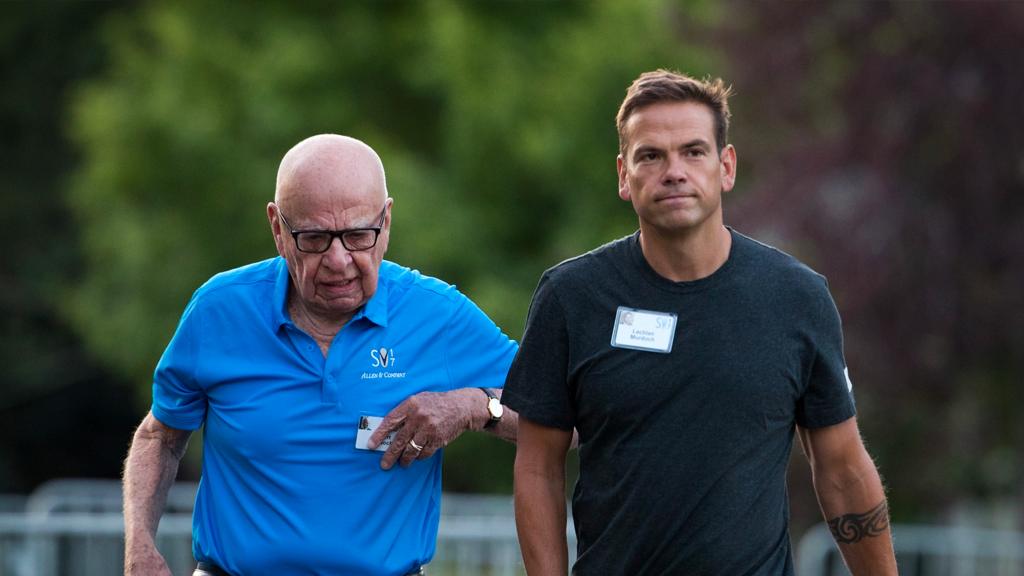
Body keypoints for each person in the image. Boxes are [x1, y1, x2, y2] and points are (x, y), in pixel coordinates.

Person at [502, 70, 897, 575]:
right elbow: (537, 468)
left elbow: (842, 468)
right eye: (651, 155)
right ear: (623, 175)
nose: (674, 171)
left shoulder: (797, 298)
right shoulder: (571, 297)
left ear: (725, 167)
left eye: (693, 151)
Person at [122, 134, 519, 576]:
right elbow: (160, 436)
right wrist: (140, 546)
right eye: (314, 238)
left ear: (387, 221)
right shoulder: (219, 310)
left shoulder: (438, 314)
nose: (338, 260)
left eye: (357, 236)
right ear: (277, 227)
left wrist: (473, 406)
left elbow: (564, 417)